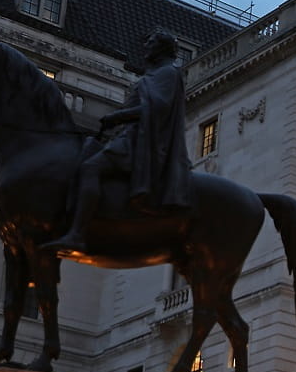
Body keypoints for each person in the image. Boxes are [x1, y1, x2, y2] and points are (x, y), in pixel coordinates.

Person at [43, 29, 193, 253]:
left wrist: (117, 117)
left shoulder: (168, 74)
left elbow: (157, 109)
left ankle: (77, 234)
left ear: (161, 48)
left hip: (141, 142)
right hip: (127, 135)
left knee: (90, 168)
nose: (146, 47)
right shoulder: (154, 74)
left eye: (150, 42)